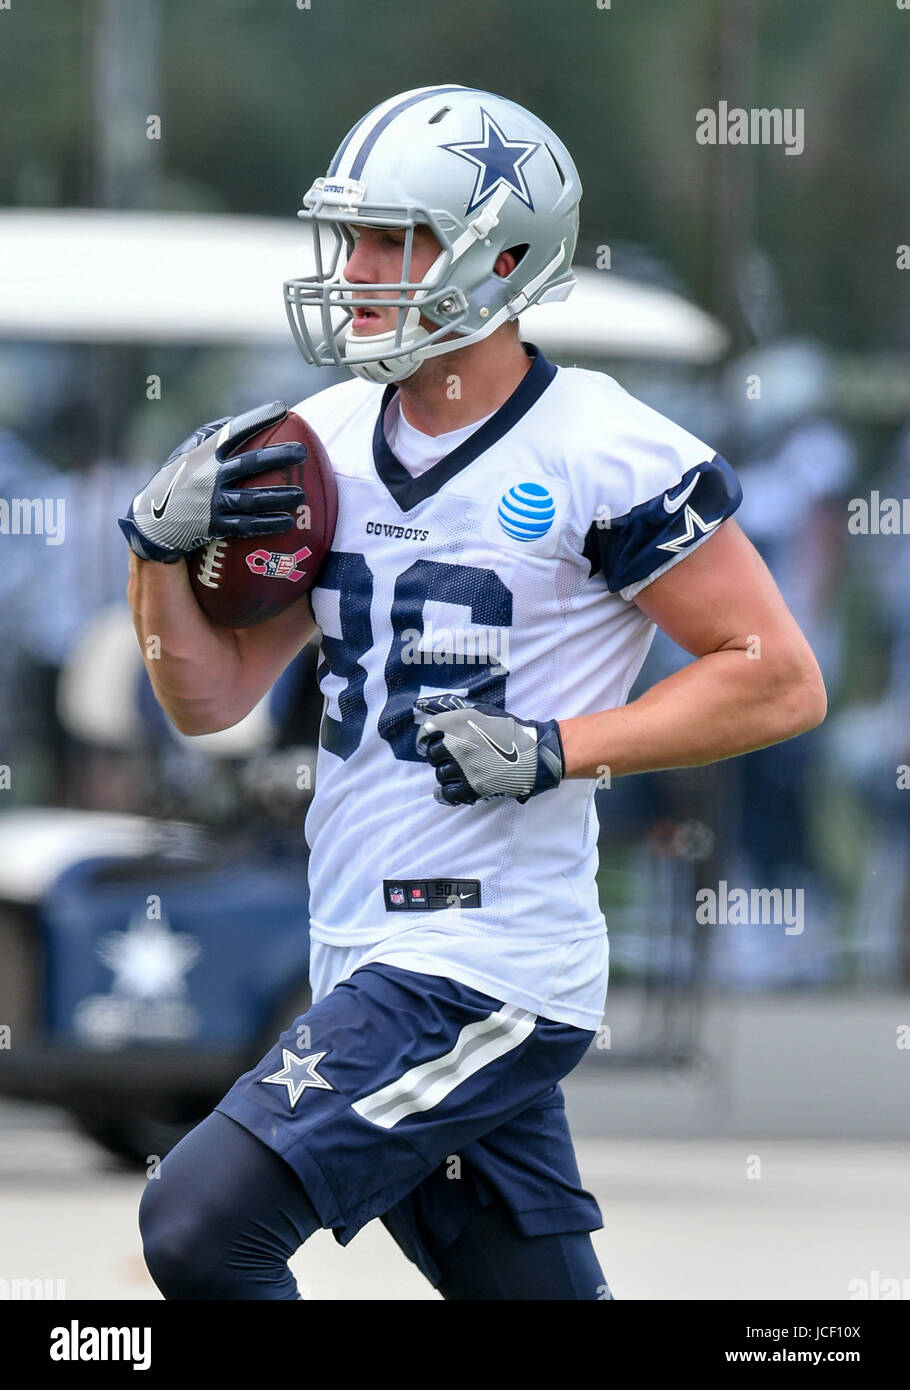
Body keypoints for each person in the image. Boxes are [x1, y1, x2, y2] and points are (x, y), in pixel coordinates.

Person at [123, 85, 826, 1300]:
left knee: (198, 1226)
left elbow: (776, 680)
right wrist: (152, 559)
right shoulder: (321, 439)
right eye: (350, 237)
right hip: (354, 941)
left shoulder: (605, 450)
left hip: (481, 963)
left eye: (393, 238)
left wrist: (559, 745)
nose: (355, 270)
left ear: (503, 256)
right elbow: (210, 697)